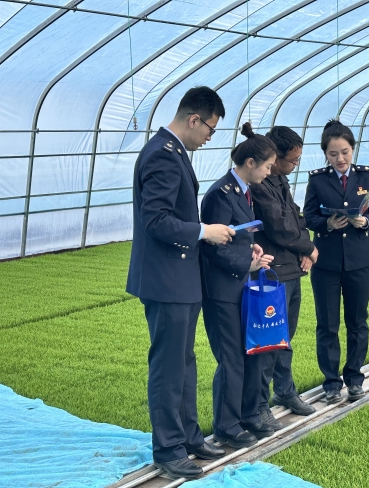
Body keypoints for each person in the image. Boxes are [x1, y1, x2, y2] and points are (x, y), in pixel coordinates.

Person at [126, 86, 235, 480]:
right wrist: (204, 231)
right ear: (193, 119)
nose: (209, 137)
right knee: (169, 367)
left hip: (181, 279)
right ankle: (168, 448)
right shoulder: (163, 154)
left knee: (184, 364)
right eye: (210, 129)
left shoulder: (172, 152)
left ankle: (189, 436)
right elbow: (156, 219)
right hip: (167, 280)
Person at [201, 122, 277, 449]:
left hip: (241, 287)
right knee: (231, 357)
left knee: (249, 352)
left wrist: (251, 248)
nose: (269, 172)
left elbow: (236, 234)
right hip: (221, 291)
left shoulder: (242, 192)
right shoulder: (220, 194)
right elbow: (212, 246)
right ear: (250, 163)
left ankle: (248, 415)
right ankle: (226, 427)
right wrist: (246, 263)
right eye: (267, 166)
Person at [303, 119, 369, 405]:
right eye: (333, 154)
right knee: (327, 324)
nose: (340, 159)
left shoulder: (367, 176)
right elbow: (308, 217)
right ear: (325, 154)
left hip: (359, 261)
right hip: (326, 262)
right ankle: (330, 382)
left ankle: (354, 378)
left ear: (353, 149)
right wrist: (327, 223)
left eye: (345, 152)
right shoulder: (317, 180)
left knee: (357, 321)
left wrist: (366, 221)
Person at [249, 126, 318, 429]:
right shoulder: (260, 184)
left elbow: (297, 218)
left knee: (286, 337)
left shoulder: (281, 181)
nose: (295, 165)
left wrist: (307, 249)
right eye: (292, 160)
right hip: (272, 274)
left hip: (292, 269)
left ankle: (285, 391)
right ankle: (260, 405)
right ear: (274, 156)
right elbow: (279, 227)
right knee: (269, 340)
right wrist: (309, 248)